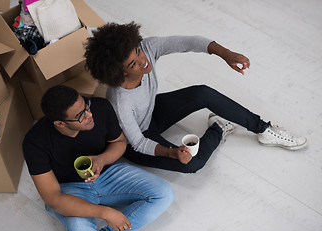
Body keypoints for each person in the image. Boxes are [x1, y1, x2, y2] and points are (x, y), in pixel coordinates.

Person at [84, 22, 307, 173]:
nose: (143, 60)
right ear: (119, 72)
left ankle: (263, 130)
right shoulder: (120, 101)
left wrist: (226, 54)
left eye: (138, 52)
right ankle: (218, 128)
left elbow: (188, 42)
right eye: (133, 63)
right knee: (193, 163)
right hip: (137, 141)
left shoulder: (148, 49)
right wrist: (171, 152)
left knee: (202, 92)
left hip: (151, 112)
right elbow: (139, 142)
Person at [22, 85, 174, 231]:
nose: (89, 114)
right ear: (60, 123)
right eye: (80, 115)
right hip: (70, 190)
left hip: (109, 173)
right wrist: (106, 213)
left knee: (164, 194)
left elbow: (119, 141)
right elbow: (54, 199)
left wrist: (102, 160)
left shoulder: (100, 107)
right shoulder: (35, 143)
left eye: (86, 105)